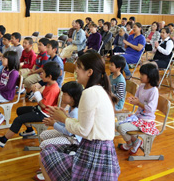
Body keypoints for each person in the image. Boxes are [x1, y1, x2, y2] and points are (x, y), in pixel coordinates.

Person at [40, 52, 120, 181]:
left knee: (46, 155)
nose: (75, 70)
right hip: (101, 148)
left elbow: (83, 130)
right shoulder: (99, 90)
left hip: (95, 150)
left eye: (79, 67)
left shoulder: (89, 92)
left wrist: (63, 119)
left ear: (89, 72)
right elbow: (87, 124)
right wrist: (65, 117)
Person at [0, 61, 60, 148]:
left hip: (44, 114)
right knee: (20, 110)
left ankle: (3, 140)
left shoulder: (53, 89)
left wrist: (36, 93)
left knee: (18, 120)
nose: (41, 74)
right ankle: (29, 130)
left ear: (49, 77)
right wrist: (36, 92)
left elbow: (44, 105)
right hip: (40, 109)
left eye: (43, 73)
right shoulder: (49, 83)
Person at [116, 63, 160, 154]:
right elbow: (137, 99)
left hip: (146, 121)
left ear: (150, 76)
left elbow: (151, 109)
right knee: (116, 125)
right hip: (137, 117)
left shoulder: (154, 91)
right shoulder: (141, 86)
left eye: (143, 75)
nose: (140, 76)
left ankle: (132, 143)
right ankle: (135, 142)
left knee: (122, 128)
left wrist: (138, 103)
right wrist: (133, 100)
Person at [39, 81, 83, 149]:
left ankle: (52, 154)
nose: (62, 96)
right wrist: (57, 120)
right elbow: (66, 124)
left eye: (64, 94)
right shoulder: (71, 107)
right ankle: (52, 152)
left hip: (73, 139)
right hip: (68, 134)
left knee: (44, 144)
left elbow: (69, 132)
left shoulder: (75, 112)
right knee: (43, 134)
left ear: (72, 97)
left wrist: (54, 124)